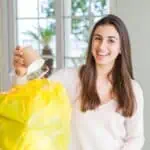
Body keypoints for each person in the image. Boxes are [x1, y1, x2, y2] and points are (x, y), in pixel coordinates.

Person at [13, 14, 144, 150]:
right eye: (97, 38)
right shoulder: (69, 77)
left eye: (111, 40)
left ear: (121, 48)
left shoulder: (133, 89)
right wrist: (21, 74)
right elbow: (33, 96)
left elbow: (135, 138)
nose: (102, 46)